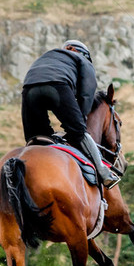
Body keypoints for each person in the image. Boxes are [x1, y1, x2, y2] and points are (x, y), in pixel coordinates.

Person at [21, 39, 117, 187]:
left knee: (37, 138)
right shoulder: (83, 61)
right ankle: (104, 172)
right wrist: (80, 119)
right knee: (79, 131)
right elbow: (86, 94)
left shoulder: (50, 56)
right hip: (57, 85)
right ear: (84, 54)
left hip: (29, 89)